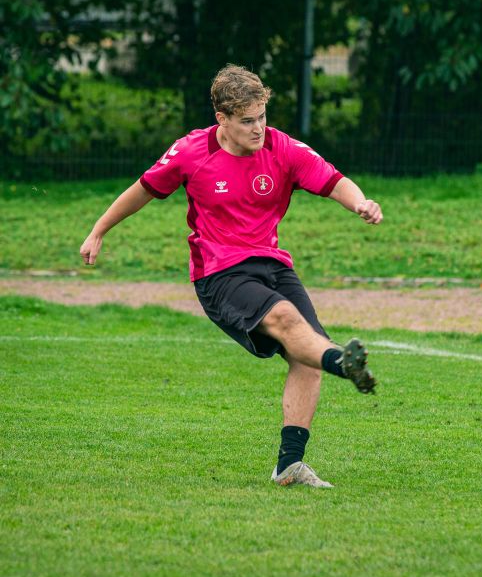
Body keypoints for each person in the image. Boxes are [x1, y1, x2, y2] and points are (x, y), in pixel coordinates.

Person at [80, 64, 383, 489]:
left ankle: (289, 467)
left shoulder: (283, 148)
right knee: (289, 324)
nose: (258, 128)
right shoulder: (191, 152)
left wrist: (361, 203)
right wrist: (99, 230)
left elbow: (334, 181)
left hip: (273, 264)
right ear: (221, 119)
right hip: (220, 272)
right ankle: (343, 365)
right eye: (247, 121)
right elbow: (142, 190)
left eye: (262, 116)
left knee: (305, 354)